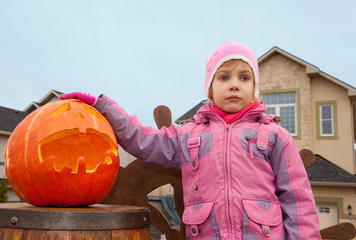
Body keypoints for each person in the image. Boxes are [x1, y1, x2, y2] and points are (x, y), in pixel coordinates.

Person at [60, 41, 321, 239]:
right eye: (224, 77)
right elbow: (144, 140)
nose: (234, 85)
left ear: (254, 89)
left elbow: (297, 201)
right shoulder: (190, 135)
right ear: (210, 89)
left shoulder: (274, 136)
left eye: (244, 77)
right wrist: (102, 106)